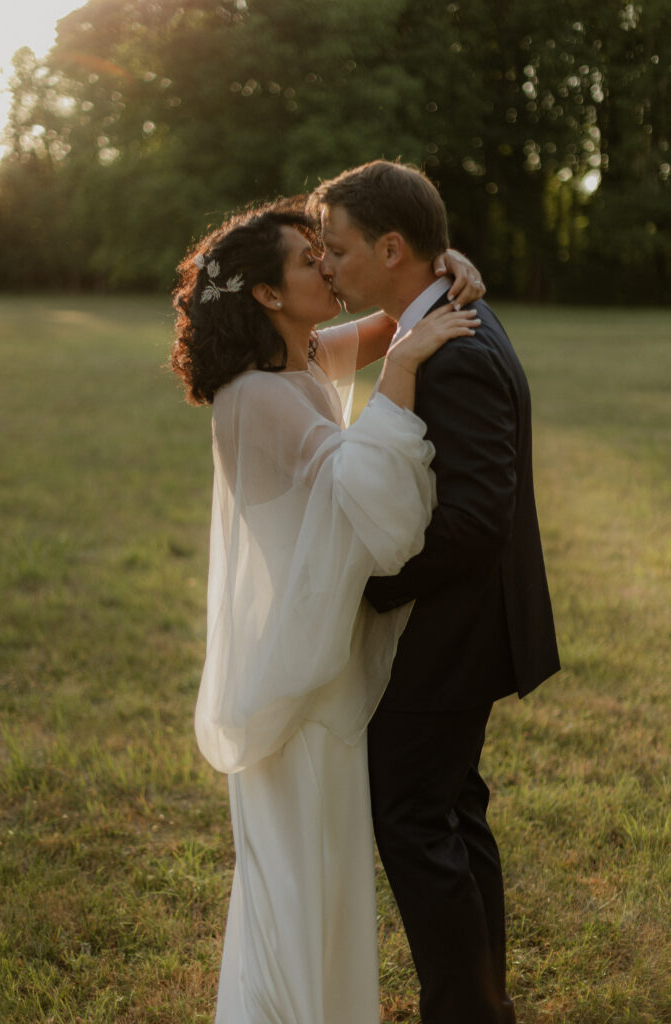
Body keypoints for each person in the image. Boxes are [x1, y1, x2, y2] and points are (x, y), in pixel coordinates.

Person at [170, 199, 486, 1023]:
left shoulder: (307, 361)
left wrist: (447, 271)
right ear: (268, 296)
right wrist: (405, 373)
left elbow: (392, 319)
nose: (329, 268)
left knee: (328, 870)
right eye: (310, 260)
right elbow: (367, 502)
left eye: (328, 253)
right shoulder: (255, 397)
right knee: (302, 875)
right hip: (300, 672)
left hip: (324, 656)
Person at [311, 160, 561, 1024]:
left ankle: (465, 1011)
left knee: (414, 820)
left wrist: (375, 589)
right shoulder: (443, 313)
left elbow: (476, 520)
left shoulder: (453, 347)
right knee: (451, 810)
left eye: (336, 249)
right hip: (464, 624)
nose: (327, 266)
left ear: (390, 247)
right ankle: (481, 1004)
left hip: (452, 629)